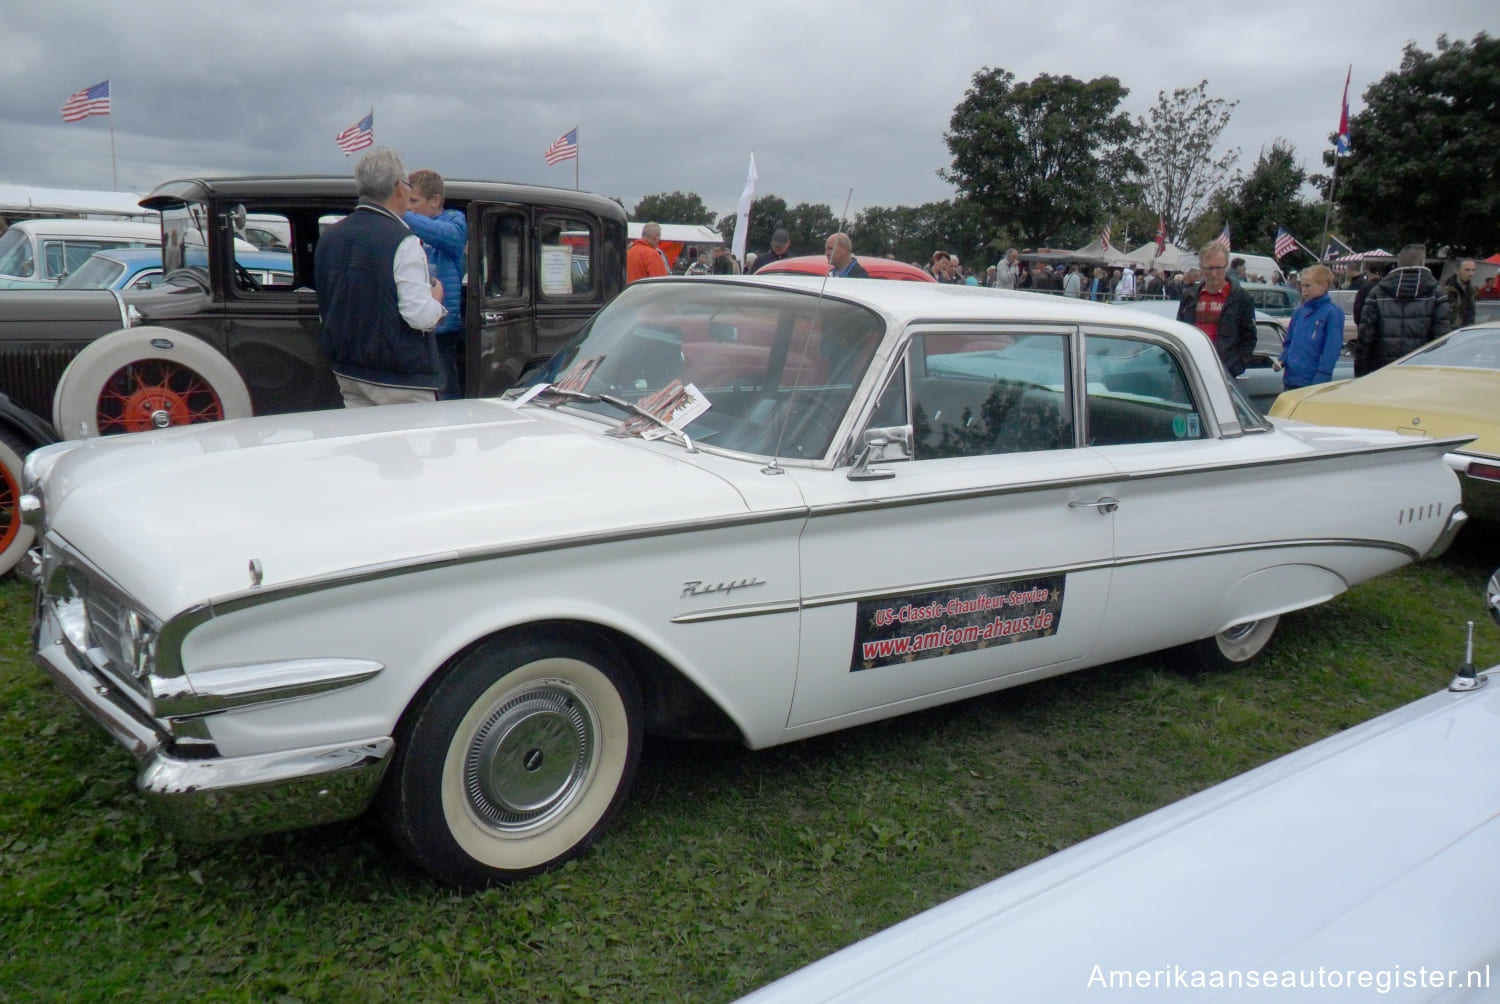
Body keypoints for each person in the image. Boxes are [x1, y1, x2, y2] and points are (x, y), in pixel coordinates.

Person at [315, 147, 447, 407]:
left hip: (348, 370)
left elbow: (327, 306)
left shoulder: (331, 236)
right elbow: (419, 315)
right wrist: (436, 300)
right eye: (408, 185)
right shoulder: (403, 240)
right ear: (399, 187)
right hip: (400, 377)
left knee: (364, 446)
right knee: (408, 447)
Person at [403, 168, 467, 399]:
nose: (408, 206)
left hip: (443, 324)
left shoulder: (453, 221)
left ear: (435, 201)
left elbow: (449, 236)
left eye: (414, 200)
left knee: (444, 382)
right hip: (414, 319)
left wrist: (399, 212)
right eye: (405, 201)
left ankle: (450, 423)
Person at [1356, 243, 1450, 376]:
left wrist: (1360, 372)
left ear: (1398, 262)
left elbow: (1365, 336)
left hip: (1382, 369)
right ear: (1422, 262)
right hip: (1420, 368)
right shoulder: (1436, 294)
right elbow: (1441, 338)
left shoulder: (1377, 293)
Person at [1176, 242, 1257, 378]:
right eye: (1209, 268)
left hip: (1224, 372)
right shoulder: (1189, 296)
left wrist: (1236, 366)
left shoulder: (1242, 298)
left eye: (1219, 268)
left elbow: (1249, 337)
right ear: (1201, 267)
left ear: (1226, 266)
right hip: (1191, 371)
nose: (1214, 274)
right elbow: (1179, 330)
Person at [1275, 265, 1345, 389]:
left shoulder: (1332, 313)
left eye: (1308, 286)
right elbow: (1289, 342)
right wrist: (1282, 359)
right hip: (1290, 378)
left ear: (1324, 286)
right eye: (1301, 285)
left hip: (1313, 381)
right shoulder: (1299, 311)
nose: (1303, 290)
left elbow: (1331, 350)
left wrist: (1321, 379)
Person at [1442, 259, 1478, 328]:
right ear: (1457, 271)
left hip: (1465, 331)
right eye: (1467, 270)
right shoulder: (1446, 289)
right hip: (1449, 332)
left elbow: (1471, 313)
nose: (1471, 274)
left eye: (1473, 270)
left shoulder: (1471, 290)